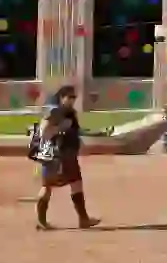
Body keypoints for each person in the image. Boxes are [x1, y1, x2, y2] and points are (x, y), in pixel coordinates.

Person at [35, 85, 101, 230]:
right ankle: (44, 221)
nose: (72, 100)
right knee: (52, 186)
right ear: (62, 97)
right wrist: (61, 127)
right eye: (69, 97)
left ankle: (82, 219)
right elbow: (43, 131)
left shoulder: (68, 112)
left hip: (65, 155)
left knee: (70, 184)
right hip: (59, 156)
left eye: (74, 97)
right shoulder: (57, 112)